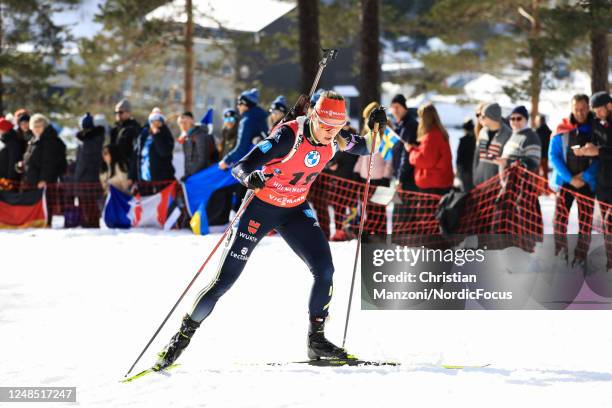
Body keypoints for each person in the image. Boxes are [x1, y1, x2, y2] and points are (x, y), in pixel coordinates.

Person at [153, 91, 388, 370]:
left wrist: (378, 127)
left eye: (336, 128)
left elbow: (369, 147)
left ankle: (317, 342)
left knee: (325, 270)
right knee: (224, 281)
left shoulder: (336, 138)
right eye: (325, 125)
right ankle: (180, 338)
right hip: (259, 210)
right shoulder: (287, 136)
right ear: (313, 116)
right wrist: (249, 178)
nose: (329, 133)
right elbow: (241, 166)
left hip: (295, 210)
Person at [549, 95, 598, 265]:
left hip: (587, 183)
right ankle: (561, 252)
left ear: (589, 108)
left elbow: (601, 158)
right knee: (559, 219)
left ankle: (580, 257)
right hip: (566, 182)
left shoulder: (596, 129)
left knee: (585, 222)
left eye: (583, 108)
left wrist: (584, 177)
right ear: (571, 109)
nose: (580, 112)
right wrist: (570, 178)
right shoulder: (562, 128)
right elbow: (553, 155)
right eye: (576, 109)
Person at [574, 91, 612, 270]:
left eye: (598, 109)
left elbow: (602, 150)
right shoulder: (596, 123)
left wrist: (598, 151)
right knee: (606, 226)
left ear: (609, 106)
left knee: (609, 222)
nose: (596, 113)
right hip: (603, 182)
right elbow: (595, 147)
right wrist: (584, 151)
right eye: (594, 110)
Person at [407, 102, 453, 195]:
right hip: (440, 182)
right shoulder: (440, 133)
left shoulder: (431, 136)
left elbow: (425, 160)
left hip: (432, 184)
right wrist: (418, 149)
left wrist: (411, 151)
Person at [218, 88, 268, 170]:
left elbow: (241, 149)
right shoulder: (263, 117)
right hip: (265, 163)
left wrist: (226, 161)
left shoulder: (247, 121)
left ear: (245, 105)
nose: (237, 106)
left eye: (239, 104)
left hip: (254, 167)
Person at [18, 114, 67, 188]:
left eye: (39, 126)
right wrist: (23, 165)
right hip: (32, 183)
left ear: (45, 127)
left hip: (44, 184)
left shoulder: (50, 141)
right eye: (35, 126)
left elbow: (49, 163)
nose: (37, 129)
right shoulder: (34, 140)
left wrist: (44, 179)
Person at [74, 113, 105, 228]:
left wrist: (77, 177)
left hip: (87, 179)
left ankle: (91, 225)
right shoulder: (93, 140)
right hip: (88, 178)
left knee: (89, 207)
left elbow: (83, 162)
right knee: (88, 206)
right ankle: (89, 224)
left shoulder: (89, 141)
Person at [129, 108, 175, 183]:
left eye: (158, 118)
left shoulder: (166, 134)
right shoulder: (144, 134)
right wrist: (131, 176)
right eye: (153, 118)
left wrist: (156, 134)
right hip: (144, 179)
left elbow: (164, 152)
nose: (155, 121)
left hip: (161, 180)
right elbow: (136, 155)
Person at [472, 102, 512, 186]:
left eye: (483, 116)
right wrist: (475, 176)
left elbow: (509, 161)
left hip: (496, 186)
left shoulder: (508, 134)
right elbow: (477, 157)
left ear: (492, 117)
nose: (480, 119)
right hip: (479, 184)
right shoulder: (483, 132)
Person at [389, 94, 418, 191]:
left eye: (398, 107)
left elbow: (406, 153)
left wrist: (400, 178)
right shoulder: (398, 125)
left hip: (408, 178)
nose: (395, 110)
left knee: (404, 206)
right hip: (399, 176)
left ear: (404, 107)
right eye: (393, 107)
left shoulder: (410, 125)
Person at [177, 111, 218, 179]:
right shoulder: (186, 137)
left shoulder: (199, 135)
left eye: (184, 122)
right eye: (180, 123)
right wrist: (187, 174)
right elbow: (187, 159)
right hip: (193, 176)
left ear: (191, 121)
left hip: (202, 175)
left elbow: (203, 159)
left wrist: (192, 174)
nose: (182, 125)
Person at [110, 99, 141, 167]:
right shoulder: (115, 129)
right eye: (116, 112)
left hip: (128, 167)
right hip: (115, 167)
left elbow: (136, 150)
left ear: (128, 113)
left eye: (120, 112)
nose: (118, 114)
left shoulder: (134, 128)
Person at [0, 116, 26, 184]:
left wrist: (10, 181)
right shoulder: (5, 141)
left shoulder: (13, 142)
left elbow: (13, 162)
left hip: (7, 182)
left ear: (4, 129)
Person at [455, 118, 476, 191]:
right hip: (471, 169)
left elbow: (459, 159)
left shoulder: (463, 141)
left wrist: (458, 172)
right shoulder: (475, 140)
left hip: (466, 170)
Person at [534, 114, 552, 183]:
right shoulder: (549, 131)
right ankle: (544, 189)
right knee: (544, 174)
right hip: (545, 156)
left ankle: (536, 190)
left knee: (537, 174)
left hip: (539, 156)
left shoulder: (536, 132)